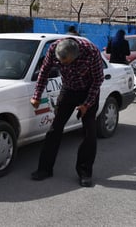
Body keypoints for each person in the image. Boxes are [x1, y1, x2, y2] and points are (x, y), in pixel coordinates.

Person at [30, 37, 104, 187]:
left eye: (67, 62)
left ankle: (85, 173)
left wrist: (86, 104)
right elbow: (44, 71)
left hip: (88, 91)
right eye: (61, 62)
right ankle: (44, 169)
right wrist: (37, 96)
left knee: (89, 133)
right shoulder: (54, 48)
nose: (63, 65)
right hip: (68, 89)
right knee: (54, 129)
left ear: (76, 56)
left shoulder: (91, 52)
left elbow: (98, 80)